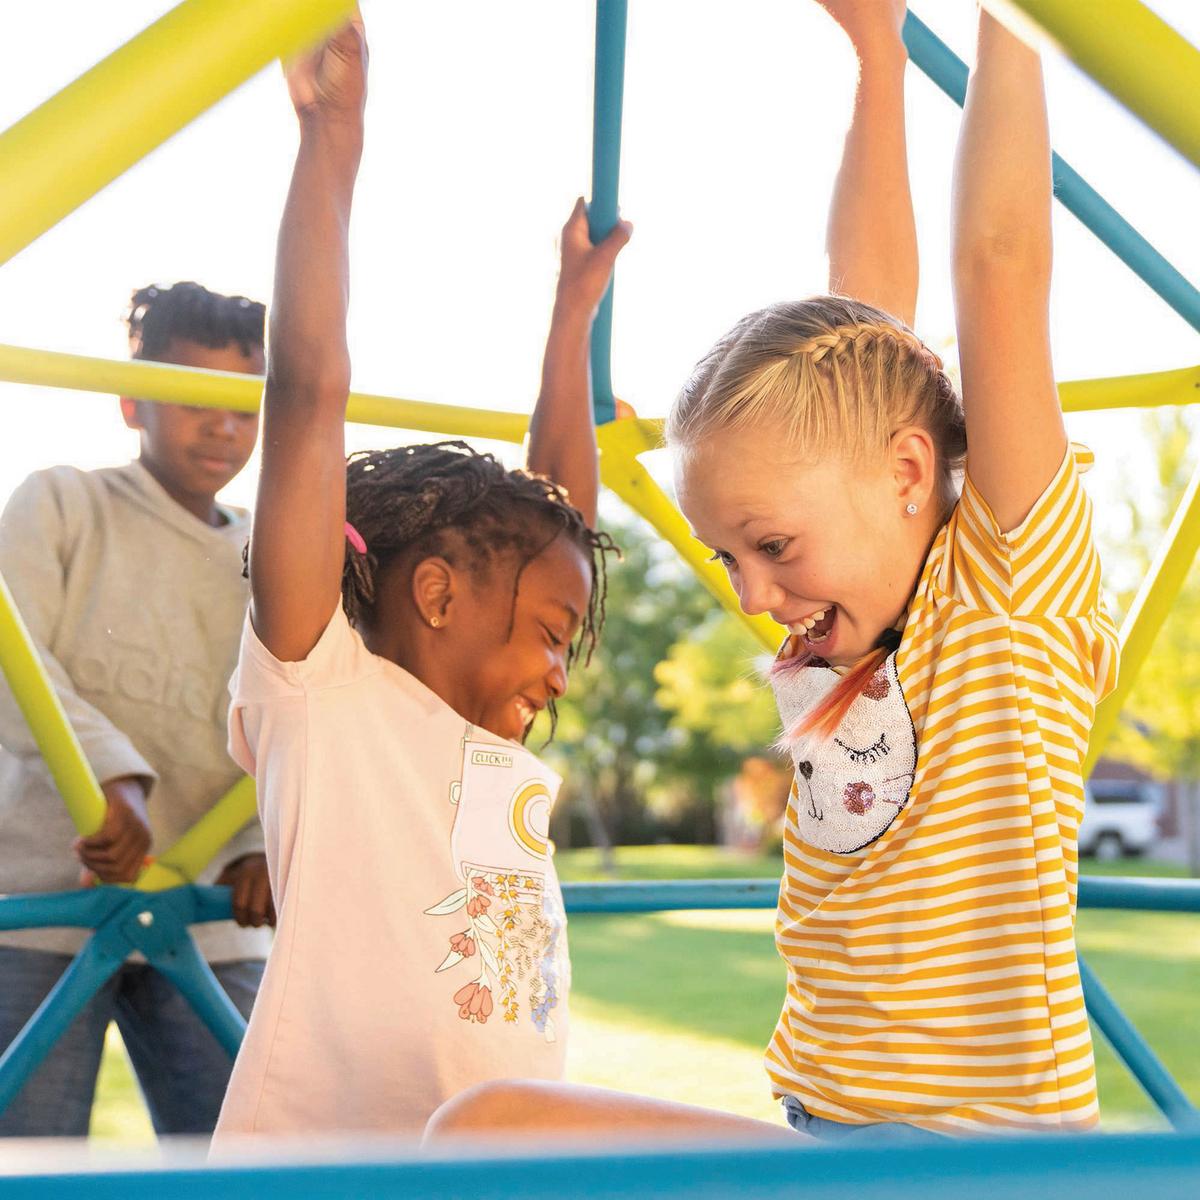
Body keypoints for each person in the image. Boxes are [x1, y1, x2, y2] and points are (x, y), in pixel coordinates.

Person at [426, 0, 1118, 1144]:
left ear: (908, 472)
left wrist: (1012, 22)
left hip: (968, 1159)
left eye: (774, 545)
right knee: (484, 1126)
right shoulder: (842, 627)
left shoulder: (1005, 586)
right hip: (817, 1125)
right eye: (727, 555)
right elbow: (865, 312)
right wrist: (877, 58)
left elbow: (1000, 266)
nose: (752, 595)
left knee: (486, 1129)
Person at [211, 15, 627, 1141]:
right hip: (326, 1158)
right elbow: (308, 392)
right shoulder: (323, 689)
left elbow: (564, 524)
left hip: (483, 1157)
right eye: (549, 634)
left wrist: (570, 321)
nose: (558, 665)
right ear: (438, 596)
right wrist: (332, 142)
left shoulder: (489, 742)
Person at [0, 281, 275, 1138]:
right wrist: (110, 780)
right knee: (24, 1153)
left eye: (244, 404)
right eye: (196, 398)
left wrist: (267, 842)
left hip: (208, 914)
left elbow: (293, 712)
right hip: (46, 905)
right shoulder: (62, 504)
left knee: (250, 1152)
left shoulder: (272, 555)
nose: (223, 426)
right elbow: (14, 664)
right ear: (131, 401)